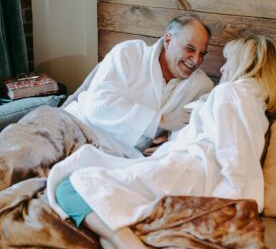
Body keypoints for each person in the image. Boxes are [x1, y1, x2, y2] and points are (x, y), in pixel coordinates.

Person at [46, 35, 276, 249]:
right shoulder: (255, 104)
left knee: (70, 186)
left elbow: (233, 153)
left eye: (229, 61)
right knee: (97, 187)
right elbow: (230, 143)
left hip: (187, 170)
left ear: (245, 63)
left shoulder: (231, 93)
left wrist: (236, 205)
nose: (222, 69)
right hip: (186, 166)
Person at [63, 14, 214, 156]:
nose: (195, 60)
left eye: (202, 54)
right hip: (77, 127)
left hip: (120, 157)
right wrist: (161, 121)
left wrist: (171, 138)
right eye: (190, 49)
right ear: (168, 40)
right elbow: (98, 106)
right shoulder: (130, 53)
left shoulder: (202, 86)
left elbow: (201, 129)